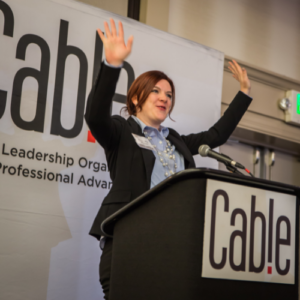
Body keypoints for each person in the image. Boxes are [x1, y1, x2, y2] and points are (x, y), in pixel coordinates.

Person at [85, 19, 252, 300]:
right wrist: (112, 65)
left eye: (169, 95)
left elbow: (216, 135)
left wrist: (244, 93)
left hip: (174, 245)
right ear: (136, 99)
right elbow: (95, 116)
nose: (164, 98)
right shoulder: (120, 131)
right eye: (156, 91)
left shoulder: (177, 141)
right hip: (129, 240)